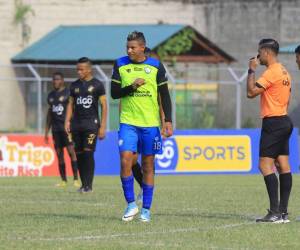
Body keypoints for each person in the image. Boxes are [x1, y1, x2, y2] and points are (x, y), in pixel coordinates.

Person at [111, 31, 173, 222]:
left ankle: (146, 209)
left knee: (148, 165)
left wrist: (168, 121)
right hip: (128, 122)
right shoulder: (120, 64)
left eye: (133, 47)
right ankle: (131, 204)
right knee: (125, 160)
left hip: (150, 125)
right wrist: (132, 87)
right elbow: (114, 93)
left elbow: (164, 96)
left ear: (142, 48)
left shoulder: (155, 66)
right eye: (127, 47)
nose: (129, 50)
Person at [247, 39, 293, 223]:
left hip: (273, 122)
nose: (258, 56)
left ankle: (274, 212)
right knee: (283, 165)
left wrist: (251, 69)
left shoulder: (271, 72)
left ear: (266, 52)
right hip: (284, 119)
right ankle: (283, 213)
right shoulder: (284, 71)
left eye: (259, 52)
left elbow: (250, 93)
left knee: (264, 166)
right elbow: (287, 98)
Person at [65, 57, 107, 193]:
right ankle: (83, 185)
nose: (78, 72)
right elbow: (70, 104)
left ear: (89, 70)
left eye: (81, 69)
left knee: (88, 153)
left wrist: (103, 126)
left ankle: (89, 185)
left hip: (91, 124)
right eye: (77, 69)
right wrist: (67, 121)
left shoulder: (97, 85)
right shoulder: (74, 86)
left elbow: (104, 106)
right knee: (80, 155)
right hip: (76, 125)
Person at [45, 72, 80, 188]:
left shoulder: (67, 93)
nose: (55, 81)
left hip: (66, 129)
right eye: (54, 79)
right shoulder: (50, 96)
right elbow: (49, 114)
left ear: (62, 80)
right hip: (55, 130)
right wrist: (46, 131)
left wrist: (73, 125)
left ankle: (76, 179)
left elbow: (73, 110)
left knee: (71, 152)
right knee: (59, 154)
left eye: (58, 79)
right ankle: (64, 180)